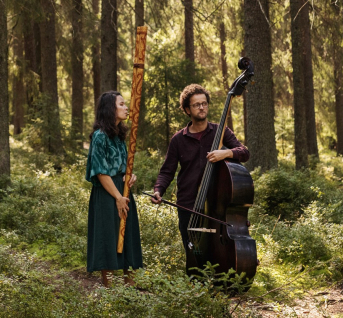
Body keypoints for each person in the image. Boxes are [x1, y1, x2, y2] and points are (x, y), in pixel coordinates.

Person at [150, 84, 250, 250]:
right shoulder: (178, 139)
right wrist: (158, 190)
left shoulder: (221, 131)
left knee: (218, 250)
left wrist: (225, 153)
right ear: (187, 109)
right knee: (193, 252)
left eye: (204, 103)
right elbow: (167, 171)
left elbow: (244, 152)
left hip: (216, 205)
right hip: (188, 205)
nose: (202, 107)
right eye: (196, 105)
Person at [85, 91, 143, 287]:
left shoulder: (119, 137)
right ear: (110, 108)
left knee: (127, 236)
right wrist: (118, 197)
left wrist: (129, 176)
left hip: (122, 190)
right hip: (107, 193)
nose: (126, 108)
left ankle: (130, 289)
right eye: (121, 104)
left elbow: (122, 167)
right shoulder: (99, 137)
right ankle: (109, 291)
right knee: (107, 236)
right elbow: (101, 172)